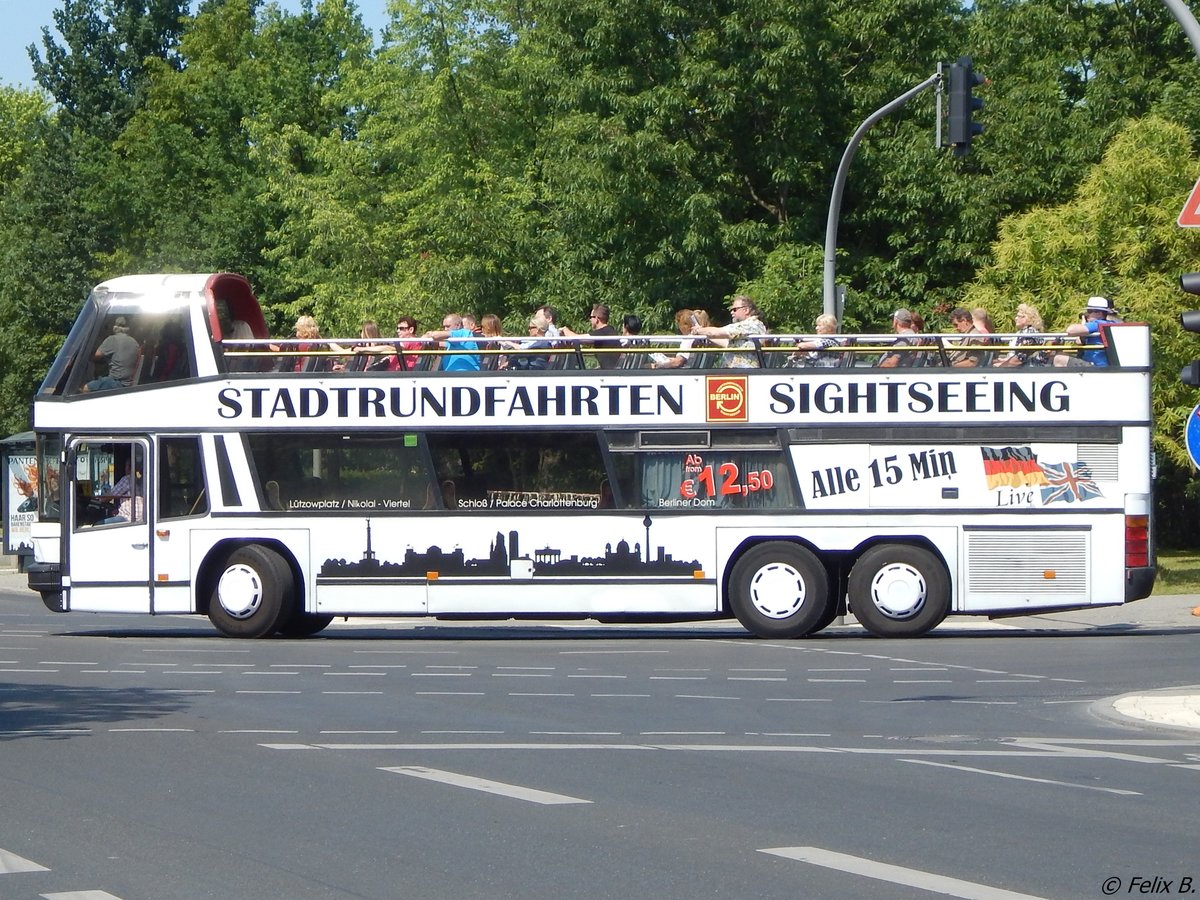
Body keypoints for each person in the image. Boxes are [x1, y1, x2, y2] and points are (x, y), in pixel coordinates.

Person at [691, 294, 767, 368]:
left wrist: (699, 330)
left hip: (743, 373)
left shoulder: (750, 325)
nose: (731, 312)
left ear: (746, 310)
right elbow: (727, 343)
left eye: (735, 309)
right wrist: (705, 335)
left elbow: (716, 332)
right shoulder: (751, 326)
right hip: (737, 373)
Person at [1054, 296, 1120, 367]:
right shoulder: (1111, 323)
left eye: (1090, 311)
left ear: (1099, 313)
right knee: (1061, 354)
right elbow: (1079, 342)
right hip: (1100, 364)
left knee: (1059, 359)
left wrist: (1084, 324)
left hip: (1095, 366)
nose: (1087, 314)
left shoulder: (1097, 324)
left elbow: (1070, 331)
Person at [83, 316, 140, 391]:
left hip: (114, 382)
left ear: (115, 327)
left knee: (86, 388)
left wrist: (86, 355)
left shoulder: (112, 339)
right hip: (127, 383)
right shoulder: (135, 342)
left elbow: (95, 356)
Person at [561, 303, 621, 369]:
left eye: (591, 317)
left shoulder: (603, 333)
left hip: (609, 375)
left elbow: (575, 338)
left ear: (597, 319)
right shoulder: (609, 331)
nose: (590, 320)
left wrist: (564, 329)